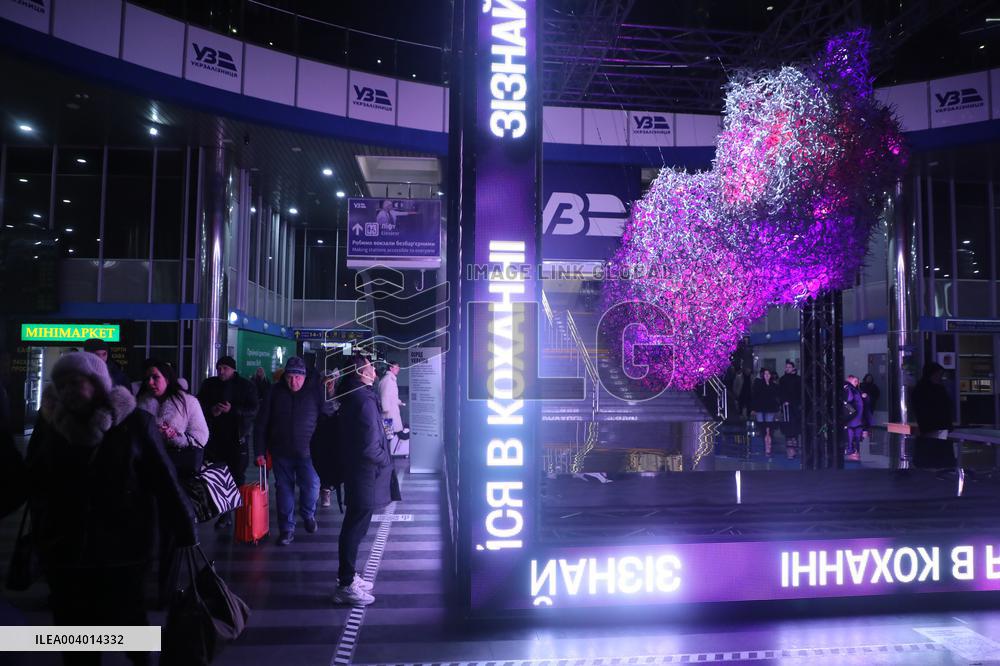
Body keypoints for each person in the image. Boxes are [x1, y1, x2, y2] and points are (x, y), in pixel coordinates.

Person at [25, 352, 197, 665]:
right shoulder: (50, 425)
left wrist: (185, 524)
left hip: (124, 546)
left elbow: (163, 478)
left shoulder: (135, 423)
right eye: (64, 383)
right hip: (65, 547)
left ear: (99, 384)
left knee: (129, 618)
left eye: (79, 381)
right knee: (76, 630)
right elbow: (33, 478)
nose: (71, 389)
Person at [333, 355, 391, 606]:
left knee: (355, 524)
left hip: (357, 469)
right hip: (364, 471)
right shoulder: (363, 399)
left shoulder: (352, 395)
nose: (375, 373)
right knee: (355, 525)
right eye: (370, 368)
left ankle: (348, 576)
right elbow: (369, 446)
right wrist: (384, 459)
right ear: (360, 372)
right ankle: (346, 584)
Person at [254, 356, 331, 546]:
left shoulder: (315, 393)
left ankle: (307, 513)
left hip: (309, 453)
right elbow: (261, 424)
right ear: (284, 376)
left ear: (304, 377)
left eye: (298, 377)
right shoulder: (274, 392)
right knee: (284, 491)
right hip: (281, 453)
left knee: (312, 487)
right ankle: (286, 530)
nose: (293, 381)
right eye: (289, 377)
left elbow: (326, 418)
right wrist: (259, 451)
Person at [198, 356, 259, 529]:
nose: (221, 371)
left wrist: (234, 411)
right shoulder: (209, 385)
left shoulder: (246, 386)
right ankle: (225, 513)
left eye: (225, 368)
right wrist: (212, 411)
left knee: (237, 475)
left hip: (237, 438)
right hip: (215, 438)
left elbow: (253, 409)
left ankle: (239, 512)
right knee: (218, 475)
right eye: (219, 368)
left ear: (233, 369)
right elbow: (198, 405)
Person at [135, 359, 209, 475]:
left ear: (167, 379)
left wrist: (174, 437)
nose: (150, 382)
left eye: (155, 377)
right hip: (147, 469)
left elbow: (200, 437)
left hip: (179, 468)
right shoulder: (141, 404)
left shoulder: (188, 402)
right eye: (147, 378)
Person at [911, 362, 955, 468]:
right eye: (938, 374)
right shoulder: (924, 388)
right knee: (935, 452)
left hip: (937, 426)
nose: (939, 377)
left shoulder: (935, 387)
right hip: (932, 426)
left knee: (937, 453)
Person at [377, 360, 406, 456]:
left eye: (398, 367)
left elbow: (392, 396)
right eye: (396, 367)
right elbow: (384, 397)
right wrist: (386, 410)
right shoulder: (388, 380)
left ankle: (387, 457)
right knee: (388, 437)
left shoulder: (391, 380)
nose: (398, 369)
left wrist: (399, 402)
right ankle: (385, 457)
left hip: (390, 413)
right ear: (391, 368)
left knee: (389, 436)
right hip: (388, 415)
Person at [751, 368, 780, 455]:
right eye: (765, 374)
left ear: (770, 375)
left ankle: (768, 444)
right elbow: (755, 397)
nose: (766, 375)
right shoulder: (759, 384)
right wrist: (753, 408)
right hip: (760, 407)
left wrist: (777, 408)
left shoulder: (774, 385)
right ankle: (764, 443)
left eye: (768, 374)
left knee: (769, 426)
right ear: (763, 375)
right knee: (761, 425)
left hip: (770, 408)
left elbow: (776, 397)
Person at [778, 360, 802, 459]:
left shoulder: (798, 379)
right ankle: (789, 437)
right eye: (786, 367)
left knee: (795, 421)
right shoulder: (783, 379)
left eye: (789, 367)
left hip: (795, 404)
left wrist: (799, 402)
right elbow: (781, 392)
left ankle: (794, 437)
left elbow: (799, 391)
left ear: (793, 368)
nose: (787, 368)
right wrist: (784, 401)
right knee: (788, 421)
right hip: (786, 404)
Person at [843, 375, 865, 461]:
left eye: (858, 381)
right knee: (851, 432)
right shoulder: (849, 388)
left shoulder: (855, 389)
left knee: (855, 433)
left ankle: (853, 449)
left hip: (857, 416)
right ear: (850, 380)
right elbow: (848, 399)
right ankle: (850, 449)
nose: (857, 383)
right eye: (855, 381)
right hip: (854, 416)